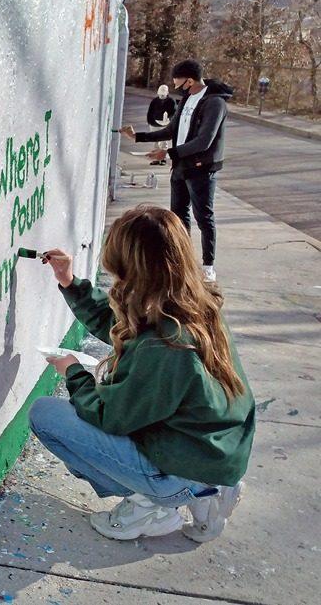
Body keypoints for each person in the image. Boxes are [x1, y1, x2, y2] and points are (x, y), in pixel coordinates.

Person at [29, 205, 255, 543]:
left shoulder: (165, 344)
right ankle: (205, 490)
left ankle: (156, 502)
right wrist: (71, 284)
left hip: (190, 460)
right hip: (215, 450)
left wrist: (74, 372)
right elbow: (122, 327)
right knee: (99, 417)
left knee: (46, 416)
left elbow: (110, 416)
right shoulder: (192, 305)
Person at [119, 60, 234, 283]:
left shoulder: (215, 104)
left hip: (201, 168)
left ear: (189, 80)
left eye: (177, 81)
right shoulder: (187, 99)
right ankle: (183, 261)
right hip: (181, 167)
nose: (174, 85)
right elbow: (172, 130)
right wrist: (139, 137)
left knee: (204, 217)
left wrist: (169, 154)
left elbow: (204, 141)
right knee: (178, 218)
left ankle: (208, 266)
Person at [145, 85, 176, 166]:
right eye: (160, 95)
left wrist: (169, 119)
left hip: (165, 124)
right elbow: (150, 112)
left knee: (163, 142)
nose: (161, 96)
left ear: (167, 93)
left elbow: (174, 113)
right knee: (155, 142)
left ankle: (162, 158)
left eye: (163, 95)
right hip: (154, 123)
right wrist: (150, 121)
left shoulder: (171, 101)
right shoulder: (154, 101)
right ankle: (156, 158)